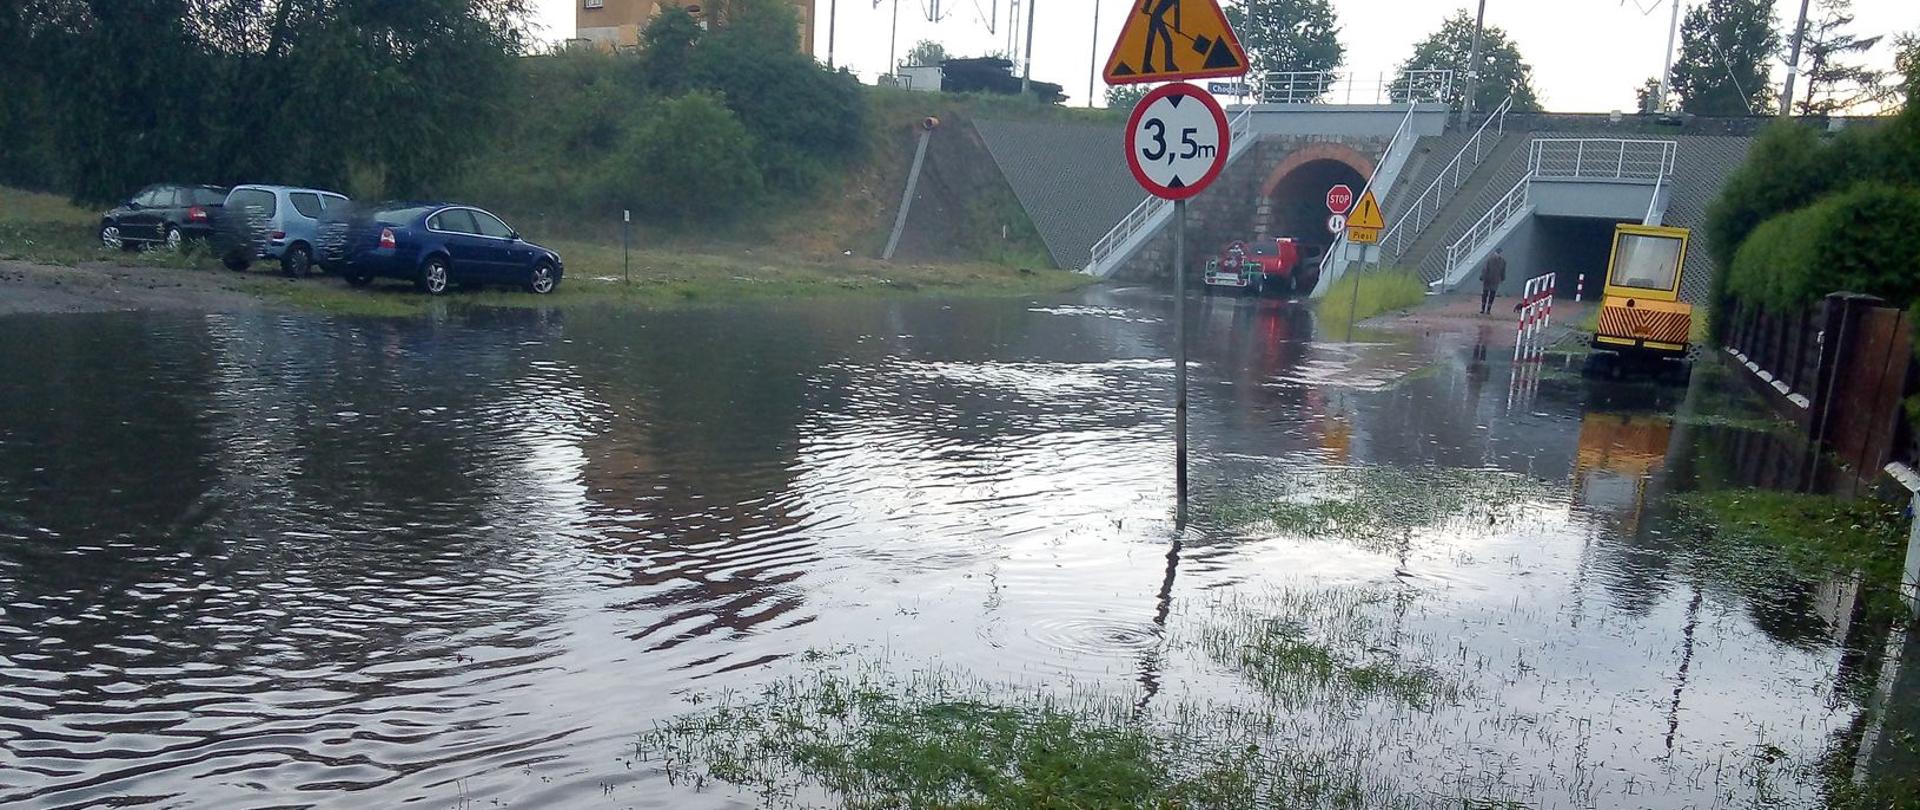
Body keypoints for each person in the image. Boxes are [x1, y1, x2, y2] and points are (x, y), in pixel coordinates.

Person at [1479, 248, 1507, 315]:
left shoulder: (1489, 259)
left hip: (1489, 279)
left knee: (1486, 294)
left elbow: (1485, 269)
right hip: (1493, 279)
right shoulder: (1502, 261)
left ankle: (1484, 309)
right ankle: (1487, 309)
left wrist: (1482, 277)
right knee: (1491, 294)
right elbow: (1503, 271)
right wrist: (1502, 278)